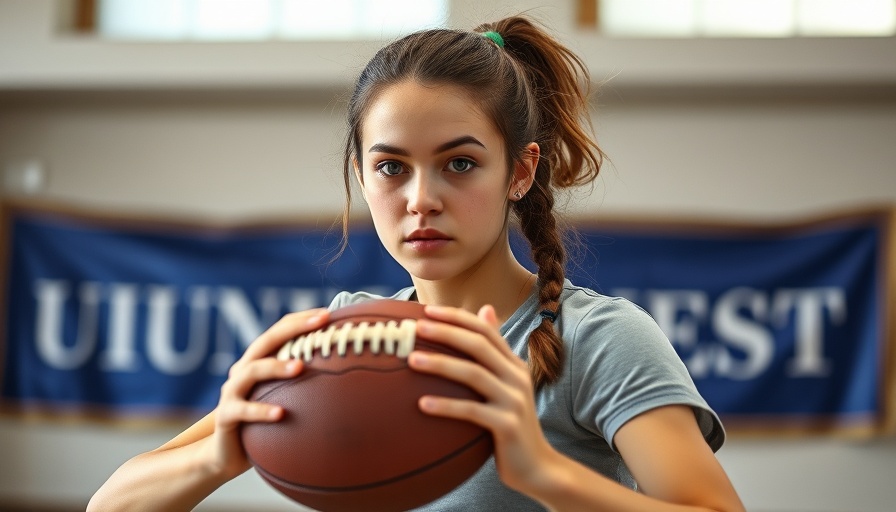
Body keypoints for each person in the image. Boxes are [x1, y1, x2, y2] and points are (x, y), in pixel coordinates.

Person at [89, 15, 745, 512]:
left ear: (520, 171)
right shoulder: (336, 340)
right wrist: (220, 452)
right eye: (391, 167)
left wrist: (543, 471)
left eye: (460, 164)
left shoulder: (596, 339)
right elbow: (109, 503)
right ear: (361, 174)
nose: (421, 200)